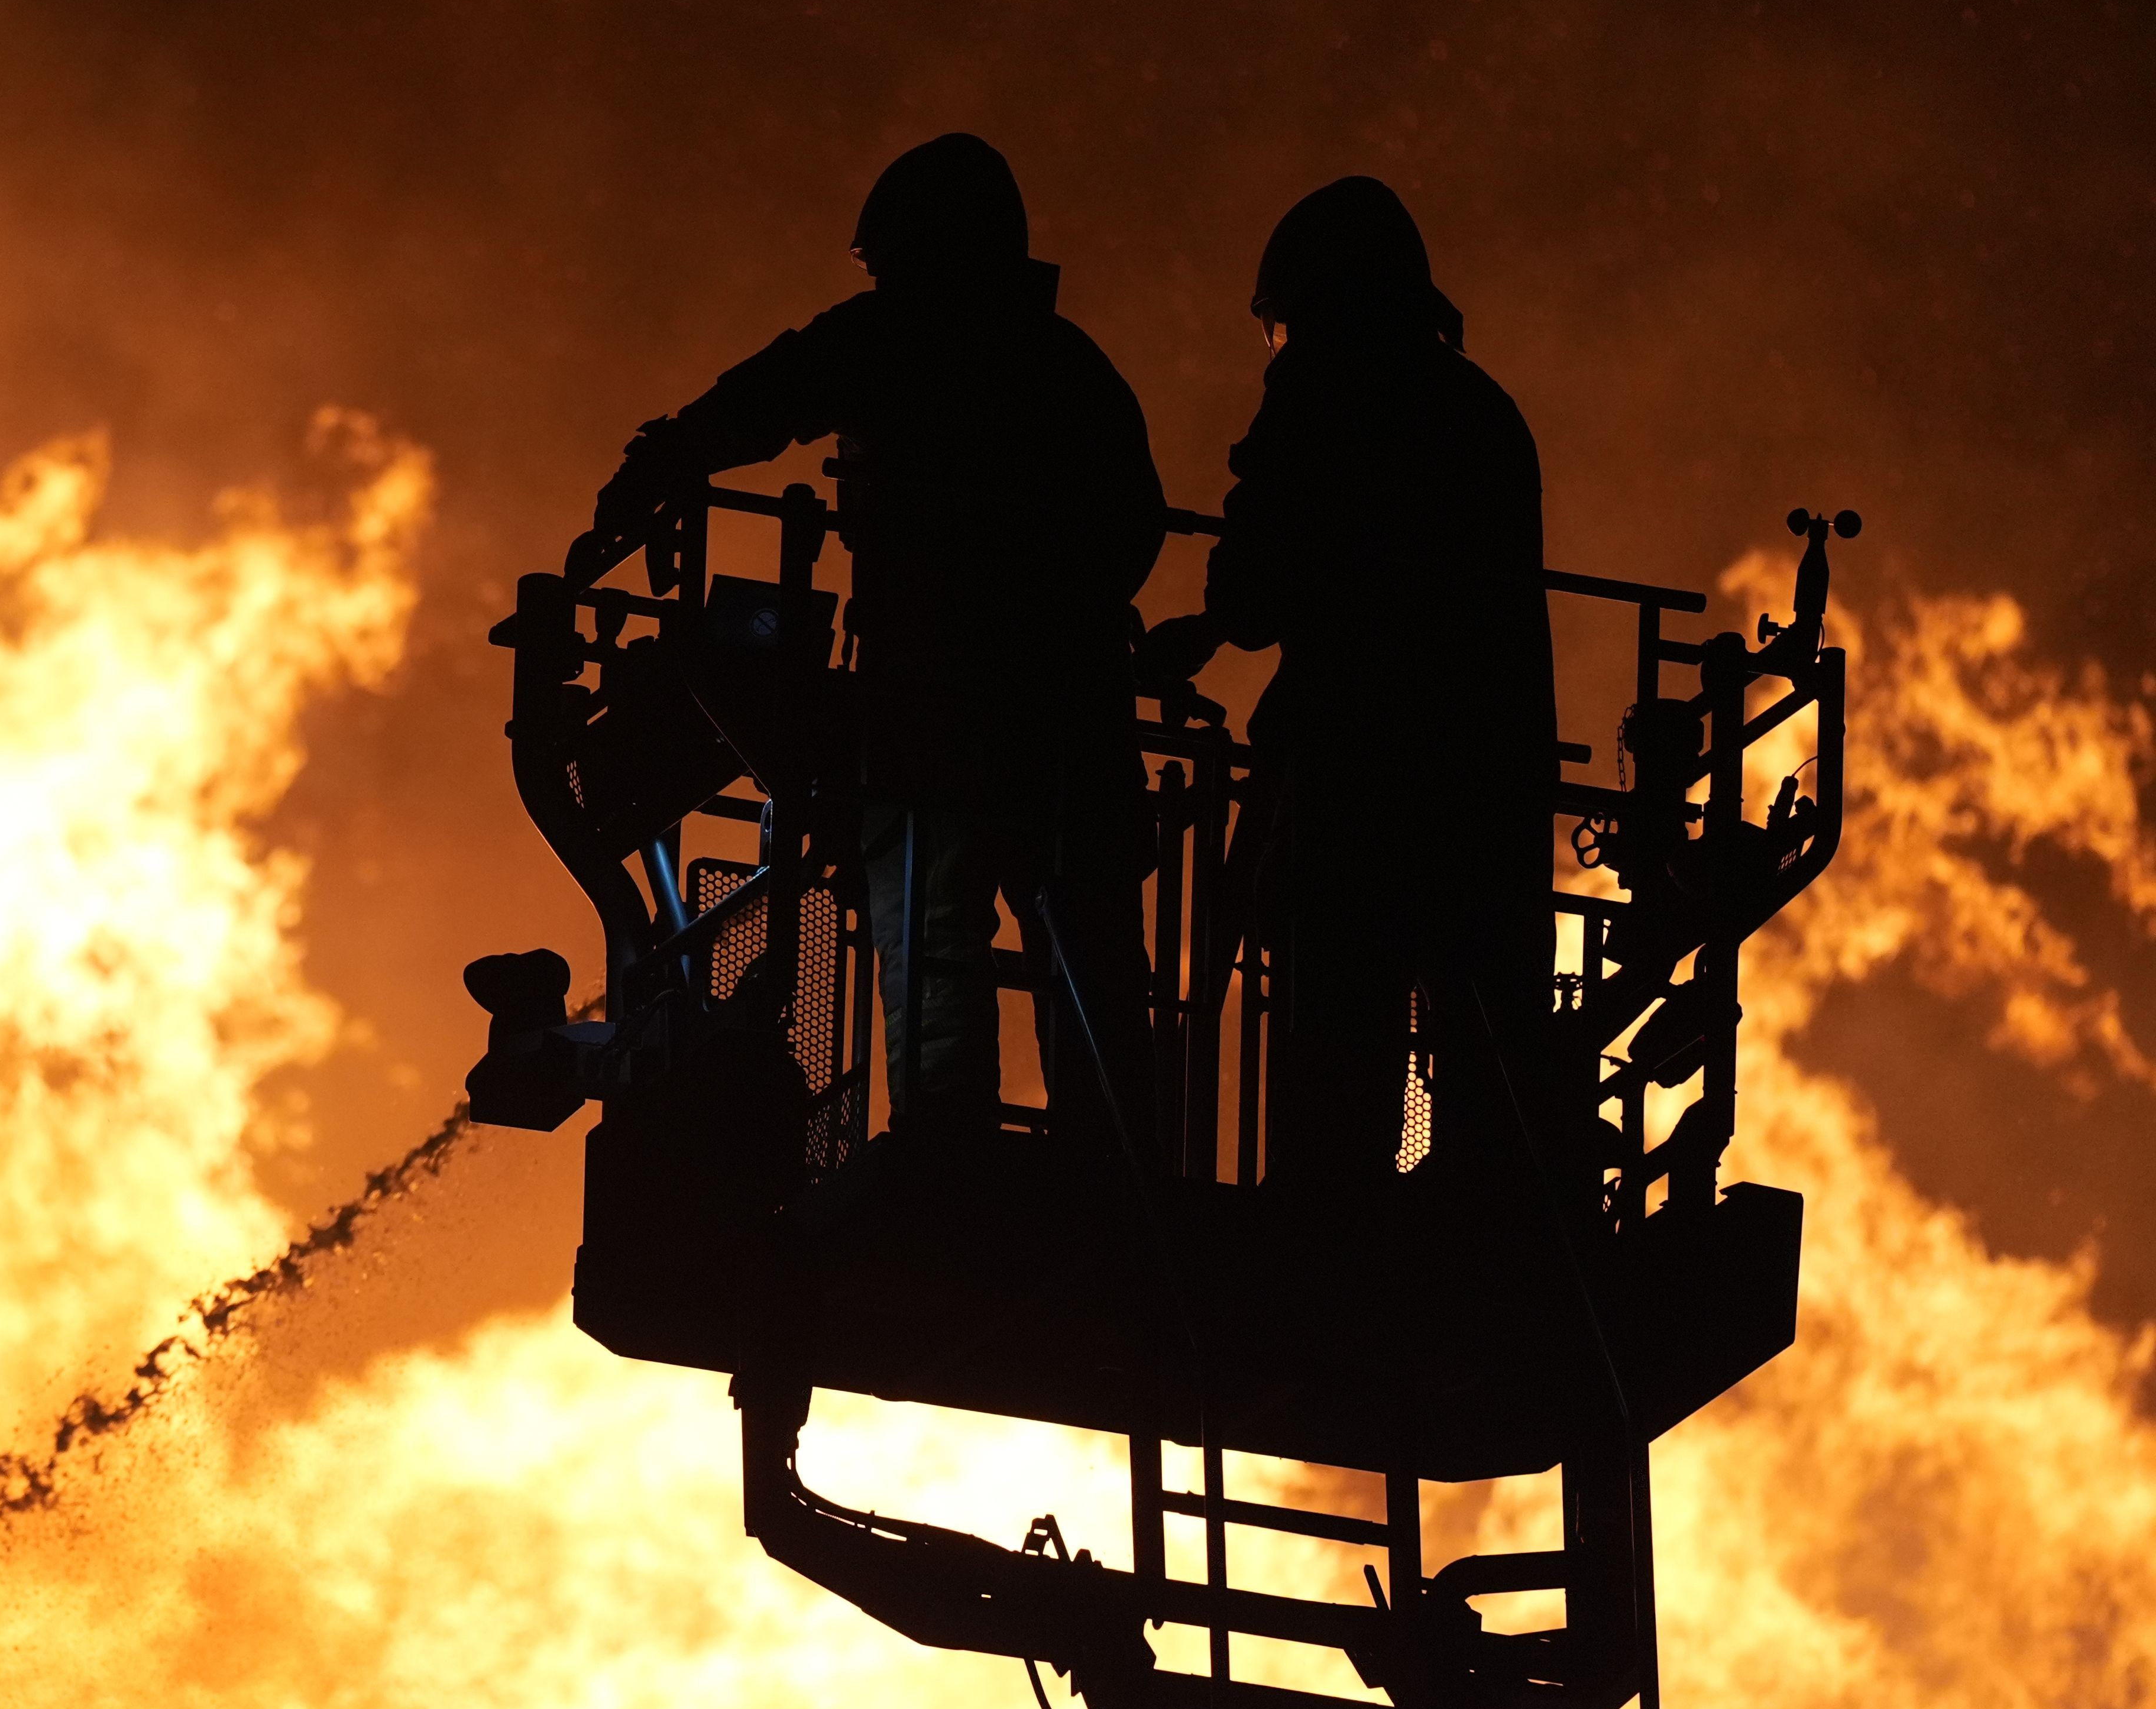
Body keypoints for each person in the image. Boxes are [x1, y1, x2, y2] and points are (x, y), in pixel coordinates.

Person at [592, 134, 1166, 1155]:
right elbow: (1133, 531)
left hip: (936, 712)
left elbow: (774, 393)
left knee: (928, 924)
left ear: (920, 251)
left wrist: (662, 462)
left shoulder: (904, 337)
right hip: (1071, 723)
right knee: (1087, 946)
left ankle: (948, 1149)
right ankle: (1119, 1157)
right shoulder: (1073, 368)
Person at [1139, 177, 1559, 1186]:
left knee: (1339, 1032)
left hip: (1360, 782)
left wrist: (1213, 622)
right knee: (1484, 1034)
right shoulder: (1483, 410)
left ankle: (1329, 1233)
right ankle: (1485, 1220)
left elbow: (1255, 588)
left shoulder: (1324, 388)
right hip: (1491, 785)